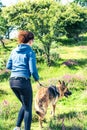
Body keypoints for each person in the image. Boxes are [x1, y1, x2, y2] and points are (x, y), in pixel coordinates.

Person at [6, 30, 39, 130]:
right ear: (29, 40)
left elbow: (8, 66)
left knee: (25, 104)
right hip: (23, 82)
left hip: (12, 81)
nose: (33, 42)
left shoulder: (14, 50)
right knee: (28, 108)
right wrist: (37, 79)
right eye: (32, 40)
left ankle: (17, 127)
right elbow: (33, 70)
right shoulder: (30, 51)